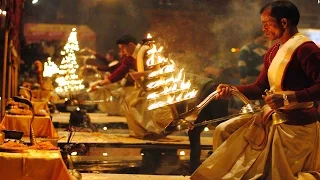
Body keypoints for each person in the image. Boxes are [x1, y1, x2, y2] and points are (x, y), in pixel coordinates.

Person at [191, 1, 320, 179]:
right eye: (262, 24)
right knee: (223, 130)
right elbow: (260, 87)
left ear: (284, 22)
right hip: (272, 117)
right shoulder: (274, 50)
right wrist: (232, 89)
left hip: (296, 126)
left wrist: (290, 98)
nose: (263, 28)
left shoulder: (306, 49)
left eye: (267, 23)